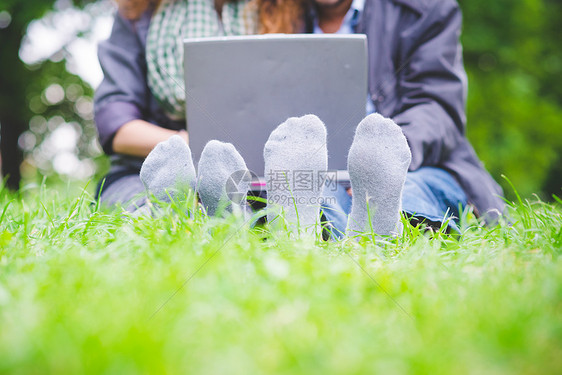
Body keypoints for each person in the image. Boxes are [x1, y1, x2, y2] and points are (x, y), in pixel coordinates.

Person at [94, 0, 306, 210]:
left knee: (290, 202)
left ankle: (218, 210)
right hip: (142, 172)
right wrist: (190, 147)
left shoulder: (287, 11)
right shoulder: (137, 11)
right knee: (139, 202)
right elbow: (117, 126)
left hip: (256, 177)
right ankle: (180, 208)